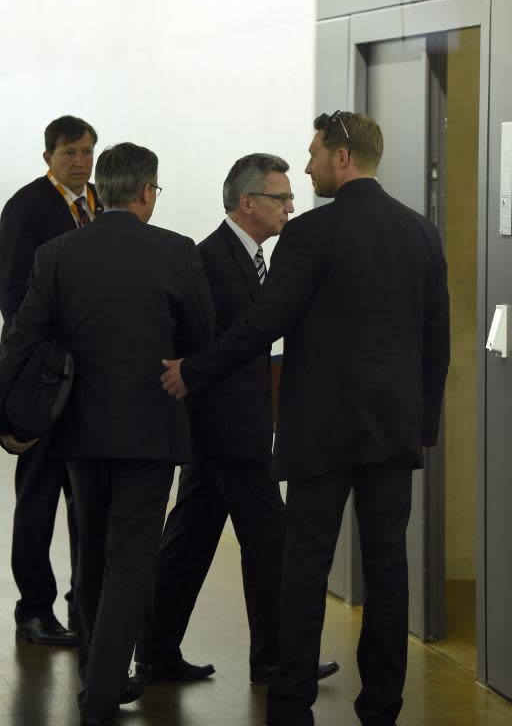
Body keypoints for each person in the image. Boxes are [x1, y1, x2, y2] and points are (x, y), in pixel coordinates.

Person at [160, 111, 450, 726]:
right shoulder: (421, 233)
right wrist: (420, 428)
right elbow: (436, 340)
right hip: (393, 433)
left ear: (342, 156)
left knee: (304, 564)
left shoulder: (311, 235)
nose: (309, 163)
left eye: (315, 153)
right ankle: (382, 708)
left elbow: (264, 325)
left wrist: (195, 369)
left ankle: (291, 705)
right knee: (388, 568)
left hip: (321, 430)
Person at [0, 142, 215, 726]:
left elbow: (21, 338)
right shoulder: (175, 252)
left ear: (103, 190)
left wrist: (7, 420)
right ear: (147, 192)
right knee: (130, 565)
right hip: (150, 430)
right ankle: (99, 697)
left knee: (91, 557)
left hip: (78, 432)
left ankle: (97, 676)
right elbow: (201, 337)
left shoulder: (58, 254)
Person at [136, 153, 338, 685]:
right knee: (269, 537)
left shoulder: (242, 256)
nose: (291, 206)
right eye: (281, 198)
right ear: (248, 203)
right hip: (227, 426)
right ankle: (273, 659)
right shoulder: (211, 259)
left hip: (227, 424)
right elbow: (214, 344)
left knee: (189, 537)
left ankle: (155, 652)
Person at [0, 115, 103, 645]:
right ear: (48, 158)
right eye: (70, 153)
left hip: (88, 385)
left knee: (86, 504)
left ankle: (83, 606)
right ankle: (33, 610)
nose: (82, 162)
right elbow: (14, 301)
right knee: (38, 502)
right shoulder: (25, 208)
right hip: (44, 382)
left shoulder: (99, 206)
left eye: (88, 151)